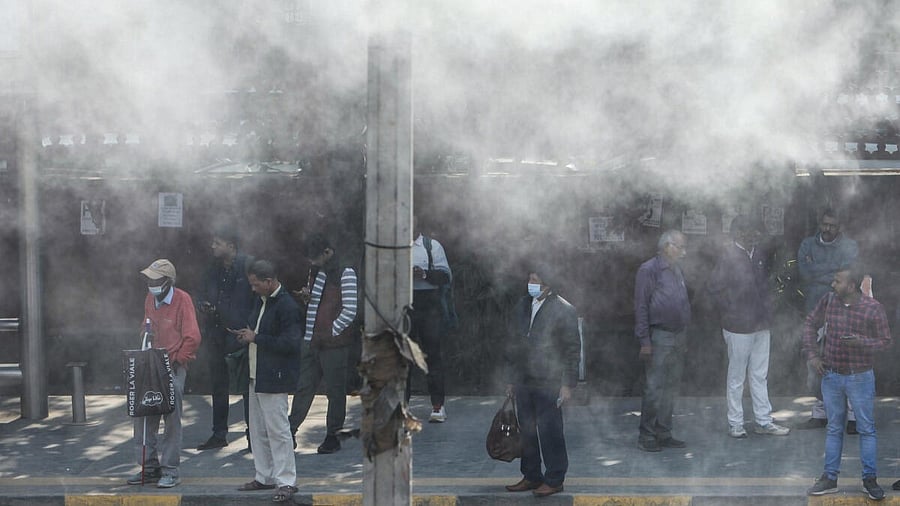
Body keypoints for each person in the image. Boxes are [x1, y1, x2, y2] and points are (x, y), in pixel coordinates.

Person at [802, 266, 891, 500]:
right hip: (831, 375)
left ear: (852, 286)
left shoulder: (873, 308)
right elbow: (810, 323)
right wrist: (813, 355)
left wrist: (861, 342)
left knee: (866, 428)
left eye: (837, 281)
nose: (833, 285)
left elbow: (885, 342)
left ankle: (869, 479)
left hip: (860, 376)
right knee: (833, 427)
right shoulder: (829, 300)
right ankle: (829, 478)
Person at [708, 215, 790, 439]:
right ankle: (735, 423)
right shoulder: (727, 257)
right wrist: (731, 310)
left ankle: (763, 421)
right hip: (738, 326)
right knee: (736, 377)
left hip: (762, 324)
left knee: (759, 374)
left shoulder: (759, 255)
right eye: (747, 231)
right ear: (736, 233)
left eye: (755, 231)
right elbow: (714, 288)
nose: (753, 235)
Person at [503, 266, 580, 498]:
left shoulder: (564, 310)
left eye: (535, 279)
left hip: (549, 379)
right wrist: (510, 378)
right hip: (524, 378)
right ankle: (531, 475)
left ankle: (555, 478)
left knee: (550, 431)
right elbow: (514, 342)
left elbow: (572, 349)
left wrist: (567, 384)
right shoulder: (523, 304)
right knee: (527, 429)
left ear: (547, 282)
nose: (530, 282)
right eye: (529, 278)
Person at [128, 259, 201, 488]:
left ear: (168, 282)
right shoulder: (150, 299)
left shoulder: (183, 300)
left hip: (173, 366)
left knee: (171, 419)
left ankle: (170, 469)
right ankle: (149, 467)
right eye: (149, 280)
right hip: (151, 363)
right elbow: (146, 325)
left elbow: (192, 337)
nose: (151, 284)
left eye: (156, 280)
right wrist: (145, 336)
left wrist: (177, 361)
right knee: (144, 412)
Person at [234, 260, 302, 503]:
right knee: (257, 429)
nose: (253, 289)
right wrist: (250, 336)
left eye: (256, 284)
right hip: (257, 375)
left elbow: (291, 344)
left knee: (278, 430)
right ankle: (264, 476)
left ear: (269, 282)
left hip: (275, 377)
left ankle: (286, 481)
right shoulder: (262, 301)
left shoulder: (287, 306)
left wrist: (257, 337)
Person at [289, 234, 359, 454]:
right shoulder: (317, 272)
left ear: (328, 252)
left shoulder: (346, 273)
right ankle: (289, 431)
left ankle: (333, 435)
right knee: (303, 388)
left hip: (334, 344)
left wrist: (331, 332)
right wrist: (307, 297)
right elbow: (318, 304)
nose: (312, 262)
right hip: (311, 340)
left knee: (335, 392)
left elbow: (350, 309)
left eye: (316, 258)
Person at [796, 208, 859, 431]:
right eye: (825, 224)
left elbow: (848, 274)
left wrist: (817, 271)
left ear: (839, 226)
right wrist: (833, 271)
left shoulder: (849, 246)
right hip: (815, 312)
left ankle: (853, 417)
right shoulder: (807, 244)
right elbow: (804, 273)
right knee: (815, 363)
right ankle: (820, 413)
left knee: (849, 363)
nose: (828, 228)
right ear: (819, 223)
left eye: (832, 225)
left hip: (844, 313)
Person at [196, 226, 255, 451]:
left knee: (247, 387)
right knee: (218, 386)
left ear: (231, 246)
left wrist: (250, 326)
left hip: (240, 334)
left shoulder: (248, 265)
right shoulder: (212, 268)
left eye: (217, 243)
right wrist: (204, 306)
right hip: (216, 333)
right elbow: (200, 292)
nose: (212, 247)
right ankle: (219, 434)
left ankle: (253, 435)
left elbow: (258, 296)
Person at [634, 230, 690, 452]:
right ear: (667, 246)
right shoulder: (649, 270)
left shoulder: (676, 269)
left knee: (671, 386)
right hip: (659, 335)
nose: (683, 251)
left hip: (677, 335)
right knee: (654, 387)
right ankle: (646, 435)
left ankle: (664, 431)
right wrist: (645, 341)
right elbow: (641, 306)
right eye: (680, 246)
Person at [406, 219, 453, 423]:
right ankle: (402, 407)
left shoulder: (431, 246)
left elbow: (446, 276)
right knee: (403, 357)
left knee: (432, 355)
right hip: (404, 303)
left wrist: (423, 274)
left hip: (429, 304)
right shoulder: (395, 246)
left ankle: (437, 406)